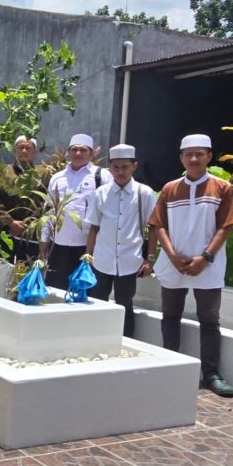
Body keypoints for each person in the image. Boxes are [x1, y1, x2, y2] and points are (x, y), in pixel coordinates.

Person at [150, 134, 233, 398]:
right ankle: (171, 364)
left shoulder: (221, 187)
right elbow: (158, 224)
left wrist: (206, 258)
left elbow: (226, 226)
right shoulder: (170, 188)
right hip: (173, 265)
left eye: (199, 153)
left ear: (209, 156)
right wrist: (173, 256)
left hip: (207, 266)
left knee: (209, 320)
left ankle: (211, 374)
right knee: (170, 316)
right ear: (181, 158)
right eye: (188, 154)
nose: (194, 159)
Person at [85, 144, 157, 337]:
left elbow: (154, 228)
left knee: (125, 303)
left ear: (134, 166)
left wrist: (149, 259)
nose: (120, 172)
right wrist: (88, 256)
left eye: (125, 167)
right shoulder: (101, 193)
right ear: (110, 168)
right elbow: (94, 226)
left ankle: (125, 342)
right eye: (116, 167)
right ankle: (97, 338)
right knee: (97, 300)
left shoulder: (145, 193)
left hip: (129, 259)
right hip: (102, 258)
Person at [40, 134, 113, 288]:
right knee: (54, 290)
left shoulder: (102, 176)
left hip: (87, 247)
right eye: (74, 150)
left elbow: (109, 212)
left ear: (91, 153)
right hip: (58, 245)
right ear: (68, 152)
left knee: (82, 292)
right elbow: (49, 210)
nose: (78, 153)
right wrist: (44, 239)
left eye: (83, 150)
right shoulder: (57, 177)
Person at [0, 135, 43, 261]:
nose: (24, 151)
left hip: (30, 232)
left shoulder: (43, 173)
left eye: (28, 148)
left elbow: (45, 202)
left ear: (34, 151)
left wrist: (28, 224)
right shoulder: (4, 171)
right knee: (1, 268)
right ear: (15, 150)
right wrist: (10, 222)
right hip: (5, 230)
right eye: (21, 147)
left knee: (27, 268)